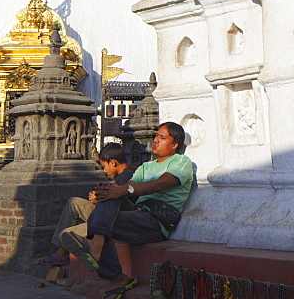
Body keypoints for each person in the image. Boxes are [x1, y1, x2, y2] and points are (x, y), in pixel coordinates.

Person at [39, 123, 193, 298]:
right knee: (109, 192)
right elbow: (130, 186)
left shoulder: (182, 162)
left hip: (157, 218)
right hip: (137, 211)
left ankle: (106, 262)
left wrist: (124, 190)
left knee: (112, 203)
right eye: (156, 136)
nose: (156, 140)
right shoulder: (146, 167)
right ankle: (98, 251)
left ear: (175, 145)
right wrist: (109, 191)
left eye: (163, 138)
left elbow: (161, 183)